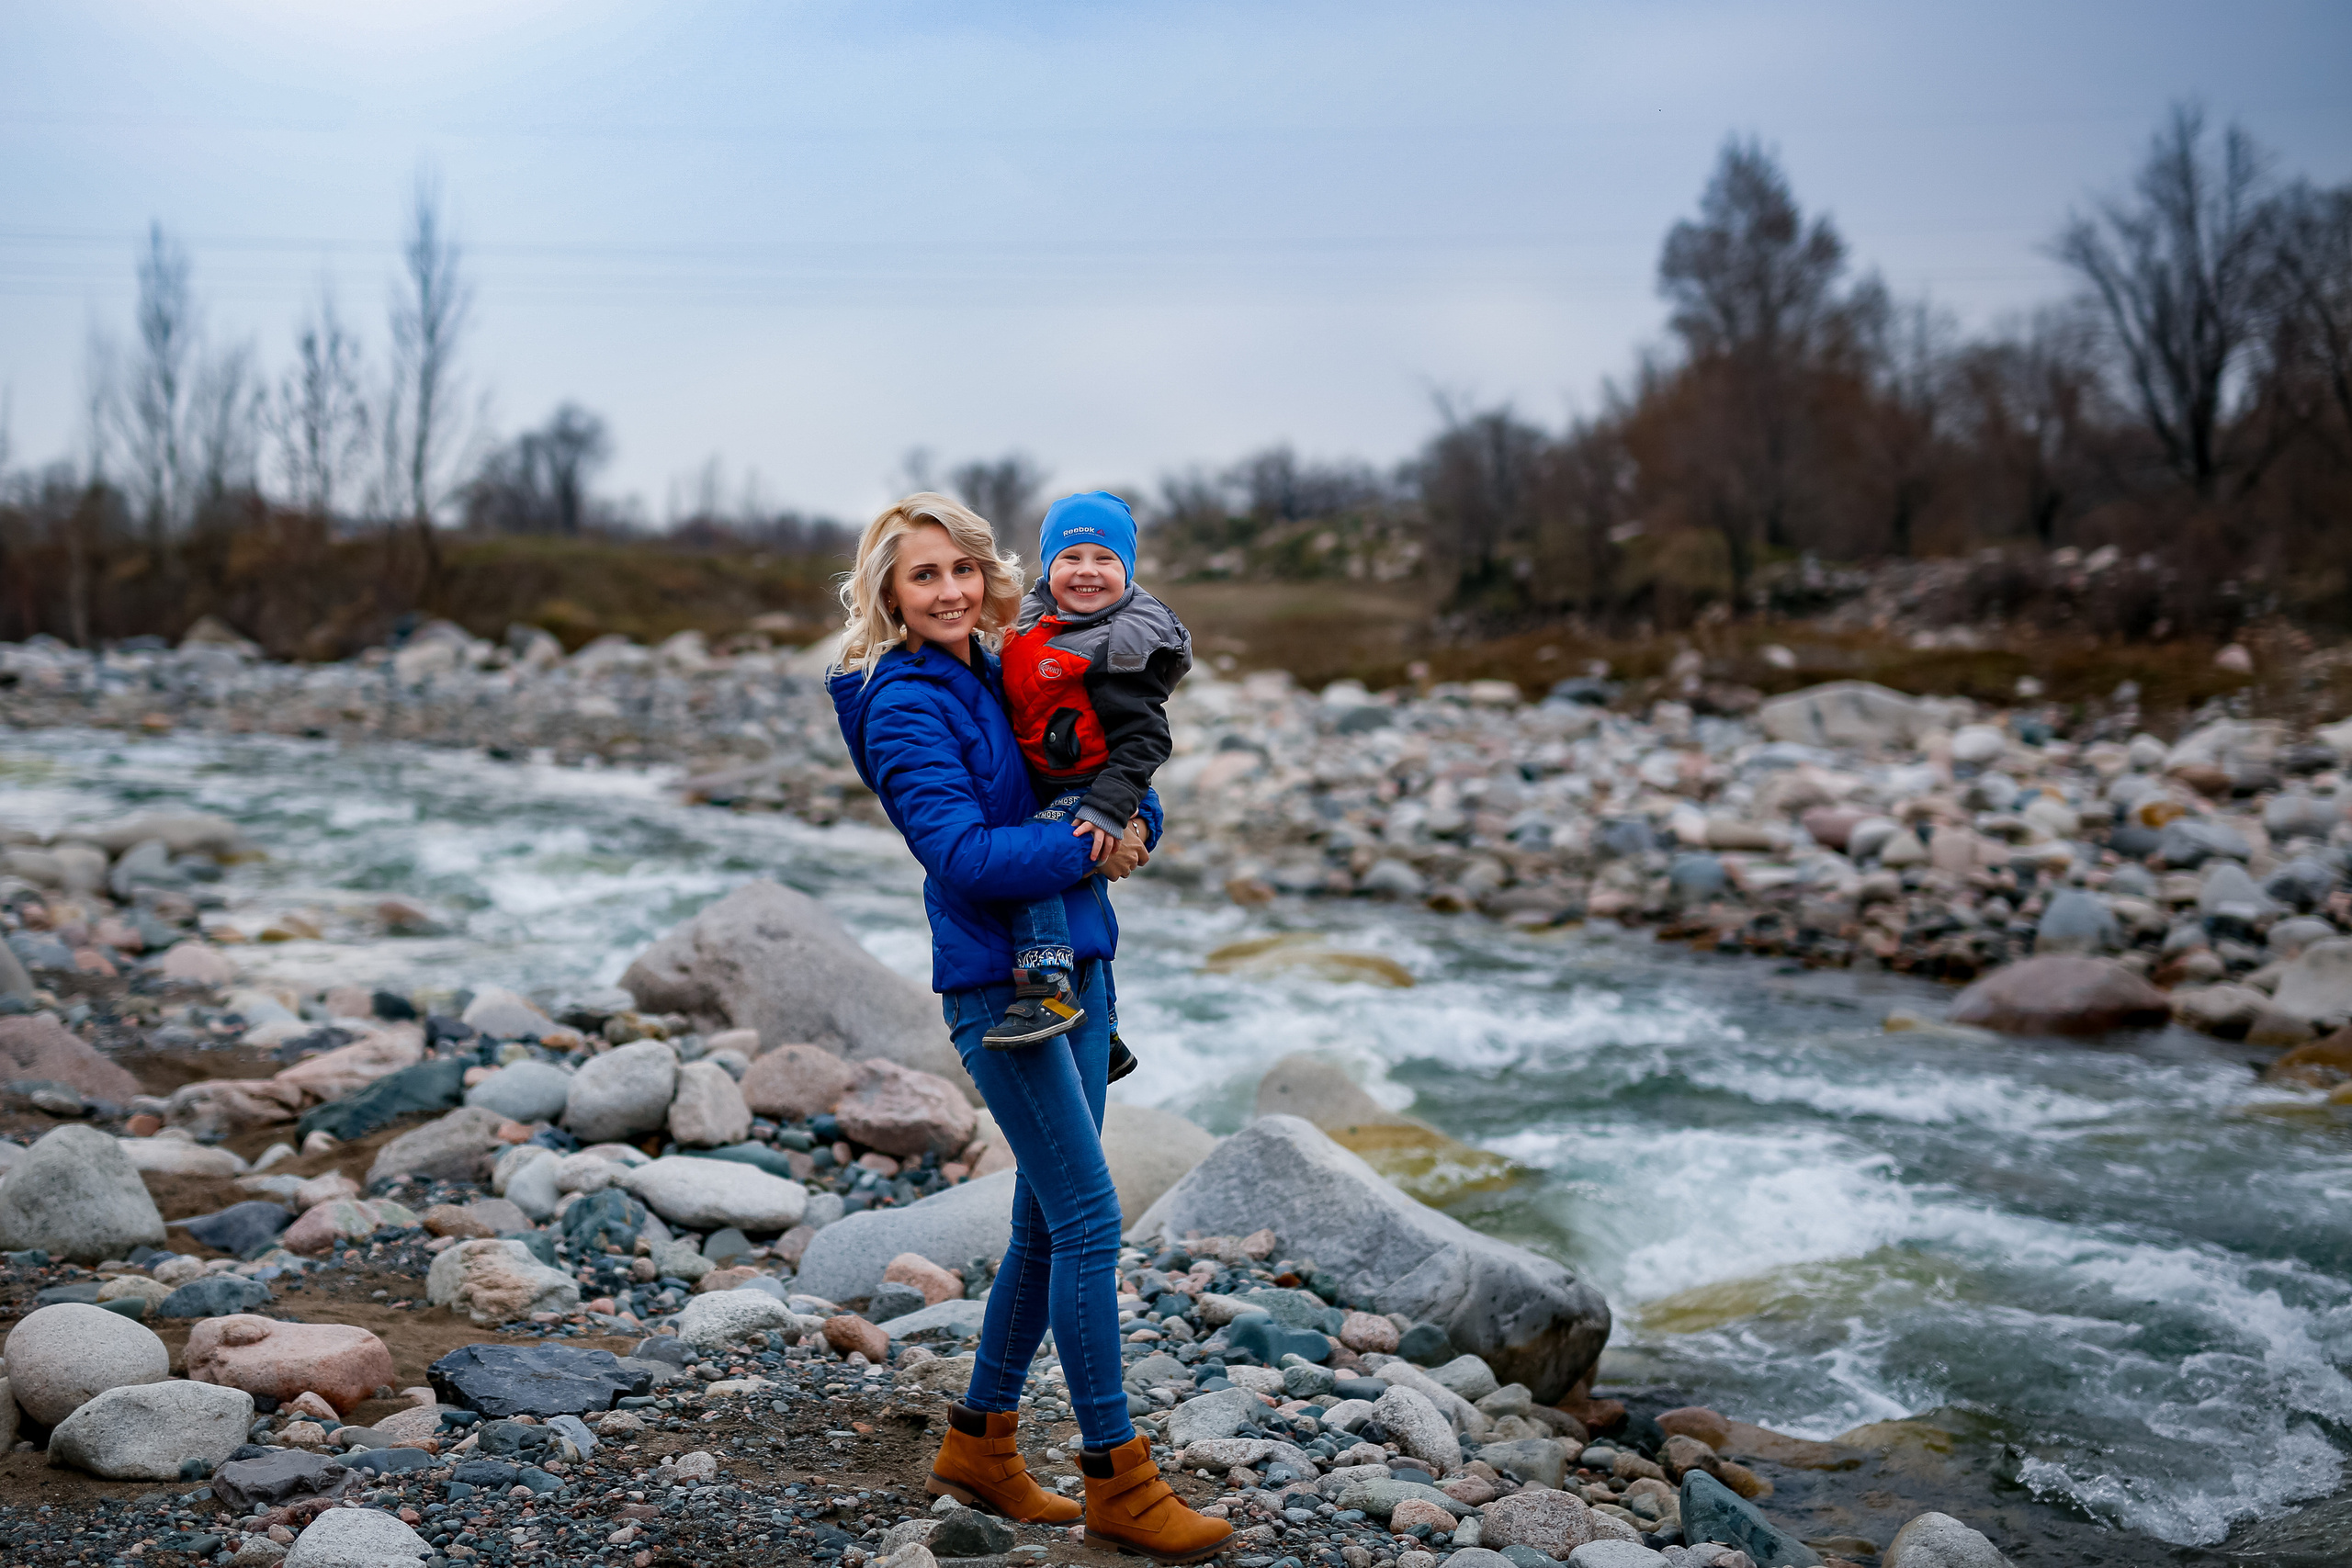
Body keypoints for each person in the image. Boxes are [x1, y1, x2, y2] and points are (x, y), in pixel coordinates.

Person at [827, 493, 1231, 1564]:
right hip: (1000, 990)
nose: (951, 589)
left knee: (1050, 1227)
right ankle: (1120, 1481)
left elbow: (1101, 762)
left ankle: (981, 1447)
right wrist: (1091, 847)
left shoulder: (1000, 662)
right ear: (889, 594)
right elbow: (962, 856)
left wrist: (1134, 821)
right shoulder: (904, 701)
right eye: (924, 576)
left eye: (962, 567)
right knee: (1093, 1219)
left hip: (1080, 967)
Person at [986, 491, 1192, 1085]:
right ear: (1047, 567)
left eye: (1104, 558)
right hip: (1058, 780)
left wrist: (1108, 808)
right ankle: (1109, 1029)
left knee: (1033, 858)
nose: (1086, 570)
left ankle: (1048, 986)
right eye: (1070, 556)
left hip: (1092, 785)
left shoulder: (1119, 643)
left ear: (1126, 570)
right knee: (1085, 893)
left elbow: (1147, 741)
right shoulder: (1035, 621)